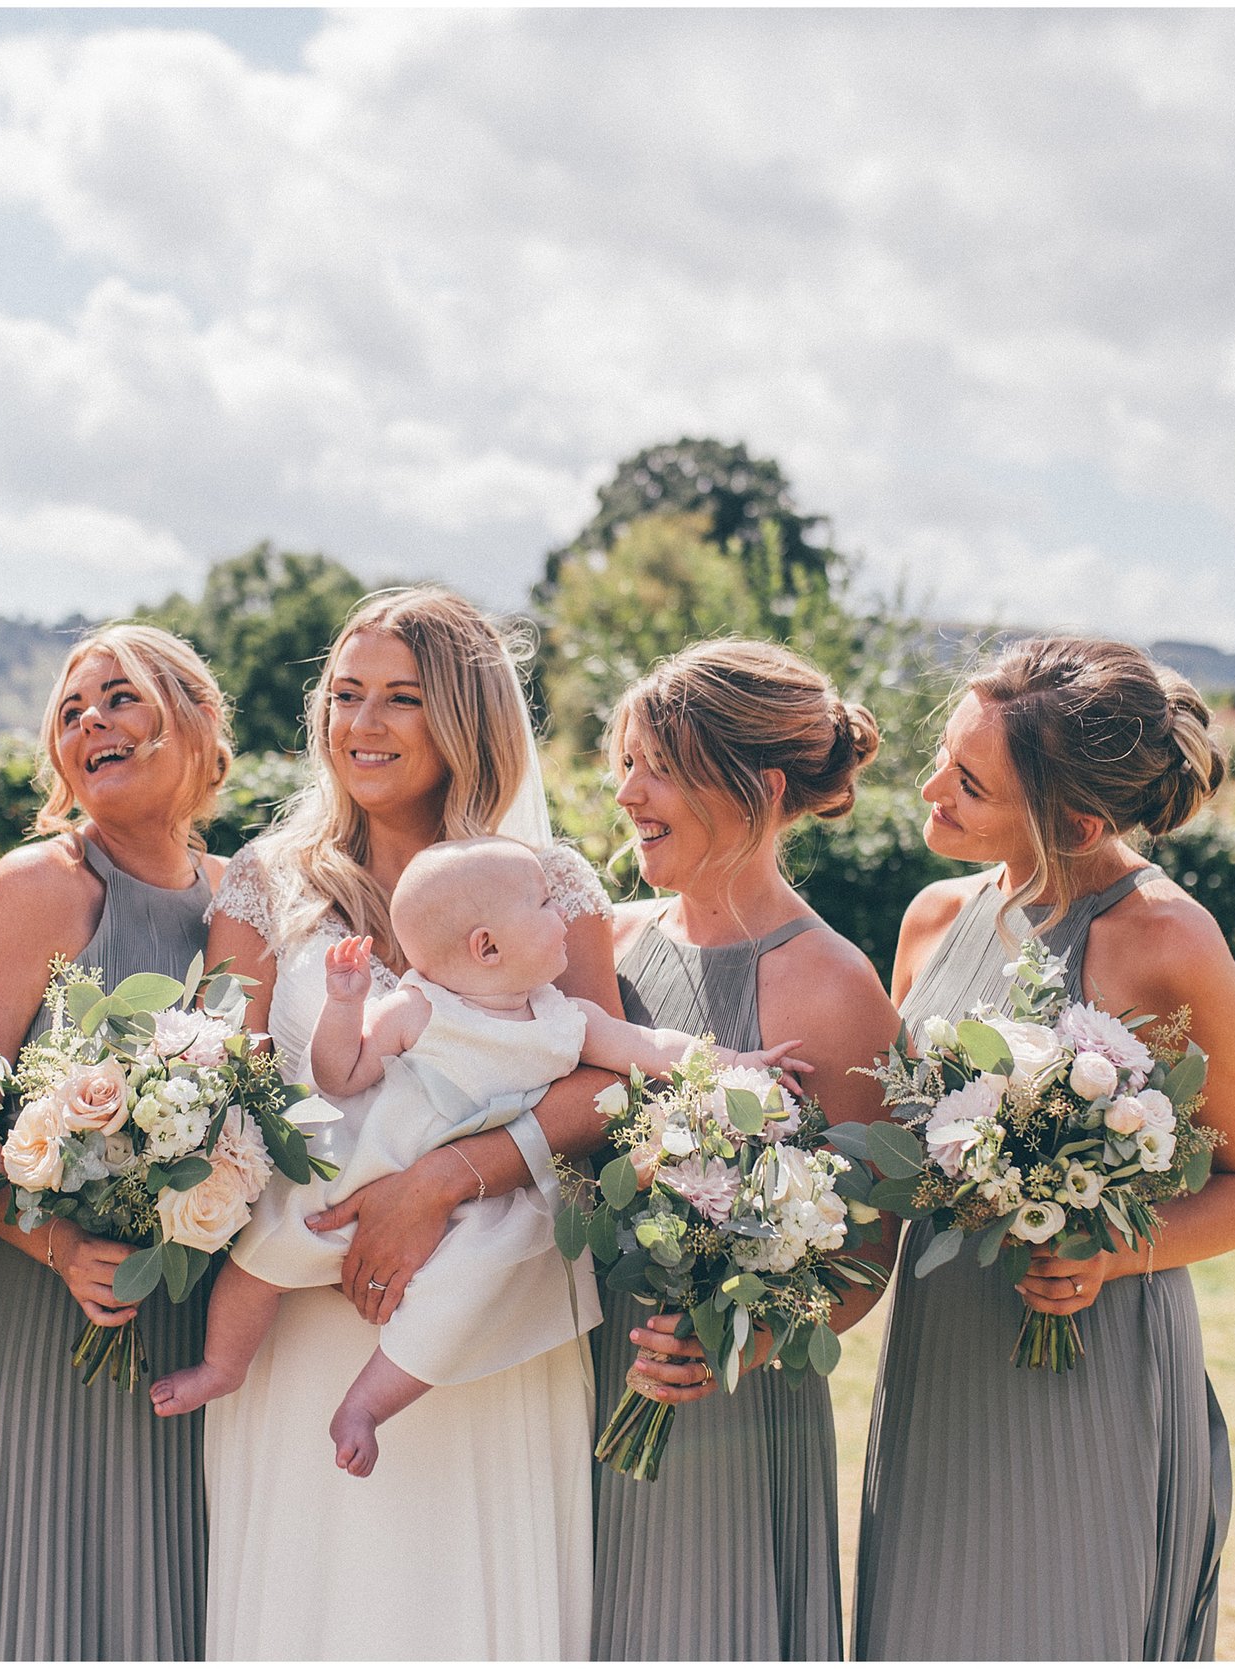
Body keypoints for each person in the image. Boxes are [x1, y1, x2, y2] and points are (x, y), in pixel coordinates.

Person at [853, 635, 1235, 1661]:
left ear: (1079, 821)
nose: (928, 789)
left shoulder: (1171, 943)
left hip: (1084, 1360)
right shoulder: (930, 919)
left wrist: (1108, 1253)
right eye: (943, 756)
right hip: (942, 1347)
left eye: (968, 782)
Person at [200, 587, 619, 1660]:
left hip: (485, 1310)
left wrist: (443, 1181)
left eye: (400, 699)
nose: (361, 725)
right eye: (344, 696)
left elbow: (604, 1084)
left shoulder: (550, 884)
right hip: (303, 1306)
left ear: (466, 718)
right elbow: (219, 1088)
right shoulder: (266, 886)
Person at [156, 836, 800, 1476]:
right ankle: (223, 1364)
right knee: (264, 1256)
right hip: (358, 1166)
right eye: (546, 905)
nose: (561, 917)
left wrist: (739, 1067)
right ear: (487, 946)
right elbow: (341, 1074)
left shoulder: (564, 1018)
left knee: (470, 1285)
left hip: (475, 1201)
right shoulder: (416, 1006)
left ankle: (366, 1406)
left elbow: (654, 1048)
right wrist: (345, 1006)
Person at [0, 623, 235, 1661]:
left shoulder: (245, 898)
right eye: (68, 711)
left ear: (195, 719)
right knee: (28, 1606)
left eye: (120, 696)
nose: (90, 718)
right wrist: (55, 1245)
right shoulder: (43, 888)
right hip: (33, 1318)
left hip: (187, 1329)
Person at [584, 638, 901, 1661]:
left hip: (717, 1410)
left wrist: (744, 1338)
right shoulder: (607, 943)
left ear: (759, 790)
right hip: (571, 1375)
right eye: (625, 763)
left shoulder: (834, 989)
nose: (626, 791)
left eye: (656, 767)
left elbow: (859, 1264)